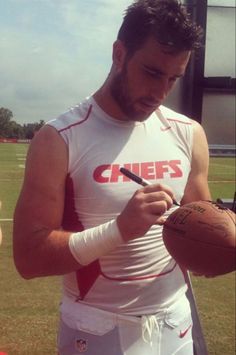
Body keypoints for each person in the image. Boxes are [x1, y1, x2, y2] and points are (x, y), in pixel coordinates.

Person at [13, 1, 211, 354]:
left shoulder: (188, 133)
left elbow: (203, 229)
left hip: (176, 325)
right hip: (96, 329)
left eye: (173, 78)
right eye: (152, 73)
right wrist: (118, 230)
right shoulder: (60, 138)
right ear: (119, 54)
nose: (161, 91)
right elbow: (29, 258)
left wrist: (219, 239)